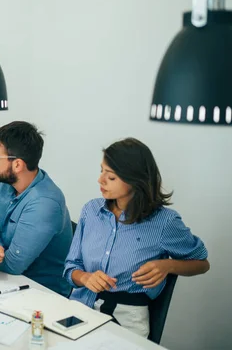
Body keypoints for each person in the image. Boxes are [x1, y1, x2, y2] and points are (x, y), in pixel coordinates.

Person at [64, 138, 210, 338]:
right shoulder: (91, 210)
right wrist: (85, 277)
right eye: (101, 171)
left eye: (111, 177)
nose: (100, 180)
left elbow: (202, 263)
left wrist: (168, 266)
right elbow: (70, 267)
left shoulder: (165, 222)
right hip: (79, 310)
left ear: (135, 180)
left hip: (126, 320)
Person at [0, 121, 72, 297]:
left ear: (17, 165)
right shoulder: (6, 184)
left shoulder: (45, 203)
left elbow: (13, 265)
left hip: (41, 295)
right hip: (7, 281)